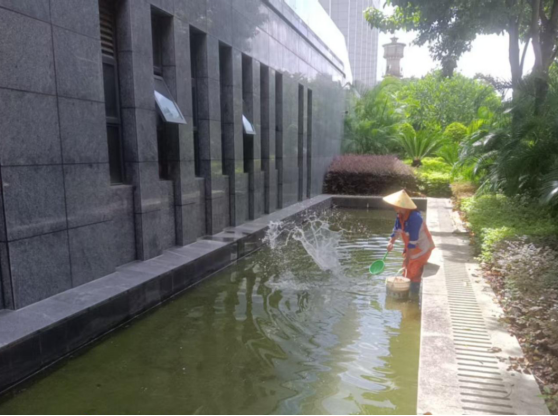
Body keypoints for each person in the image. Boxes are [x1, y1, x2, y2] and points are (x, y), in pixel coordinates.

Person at [384, 190, 435, 292]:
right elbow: (396, 231)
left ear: (402, 206)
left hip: (422, 248)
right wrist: (391, 242)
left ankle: (414, 295)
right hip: (412, 248)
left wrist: (408, 258)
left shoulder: (415, 218)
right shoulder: (400, 215)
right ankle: (407, 293)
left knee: (413, 271)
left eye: (396, 204)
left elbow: (413, 241)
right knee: (407, 270)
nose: (393, 206)